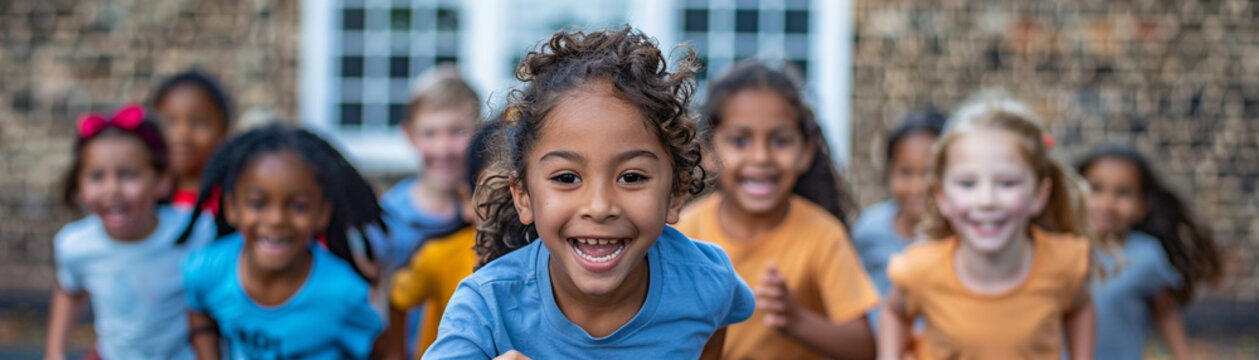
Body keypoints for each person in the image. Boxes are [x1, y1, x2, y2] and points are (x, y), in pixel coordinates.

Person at [423, 26, 754, 359]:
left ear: (675, 193)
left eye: (631, 177)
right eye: (567, 178)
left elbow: (713, 324)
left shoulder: (705, 280)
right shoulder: (485, 308)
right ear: (523, 196)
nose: (599, 206)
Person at [676, 60, 878, 359]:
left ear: (805, 152)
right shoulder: (685, 233)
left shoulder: (823, 235)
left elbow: (864, 347)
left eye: (780, 141)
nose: (761, 157)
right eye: (740, 140)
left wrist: (796, 320)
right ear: (707, 151)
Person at [877, 96, 1097, 360]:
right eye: (968, 184)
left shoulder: (1064, 263)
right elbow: (894, 312)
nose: (986, 200)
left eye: (1007, 183)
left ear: (1039, 194)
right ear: (942, 196)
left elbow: (1080, 308)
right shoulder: (919, 269)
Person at [178, 125, 387, 359]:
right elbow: (199, 310)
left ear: (322, 213)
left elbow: (387, 352)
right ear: (231, 207)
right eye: (258, 203)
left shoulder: (342, 294)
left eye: (298, 206)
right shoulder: (208, 269)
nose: (276, 219)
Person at [46, 105, 215, 360]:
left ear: (162, 180)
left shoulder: (196, 231)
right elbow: (69, 290)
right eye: (96, 176)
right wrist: (54, 351)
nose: (112, 189)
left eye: (128, 175)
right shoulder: (75, 245)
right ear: (79, 185)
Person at [1076, 143, 1222, 360]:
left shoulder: (1147, 256)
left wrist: (1182, 355)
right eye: (1095, 189)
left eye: (1123, 193)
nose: (1106, 203)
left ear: (1143, 206)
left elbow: (1164, 313)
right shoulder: (1059, 249)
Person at [386, 121, 501, 358]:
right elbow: (397, 298)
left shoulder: (548, 261)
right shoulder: (441, 256)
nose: (516, 208)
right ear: (466, 200)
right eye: (499, 195)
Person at [851, 107, 946, 329]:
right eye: (905, 172)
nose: (918, 186)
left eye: (929, 172)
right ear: (888, 172)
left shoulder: (960, 238)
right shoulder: (868, 230)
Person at [151, 70, 232, 212]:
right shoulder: (144, 197)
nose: (182, 135)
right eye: (169, 121)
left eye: (199, 122)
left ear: (224, 131)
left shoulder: (231, 200)